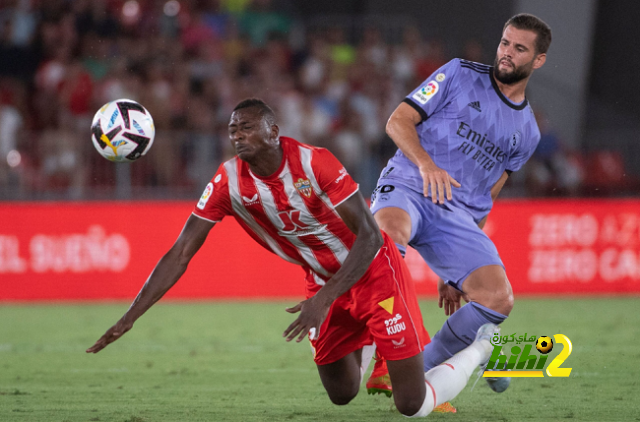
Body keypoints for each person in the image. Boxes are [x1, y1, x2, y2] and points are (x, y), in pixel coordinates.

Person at [87, 98, 499, 418]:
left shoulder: (313, 162)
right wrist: (131, 316)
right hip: (323, 282)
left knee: (411, 404)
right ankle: (371, 337)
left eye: (246, 127)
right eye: (232, 130)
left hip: (374, 272)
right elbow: (180, 252)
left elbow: (372, 236)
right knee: (342, 394)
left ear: (273, 131)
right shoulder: (227, 181)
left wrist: (323, 300)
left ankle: (481, 349)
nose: (237, 135)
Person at [366, 13, 552, 400]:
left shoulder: (528, 131)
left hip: (456, 216)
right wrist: (426, 164)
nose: (507, 53)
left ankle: (416, 368)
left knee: (498, 298)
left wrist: (454, 274)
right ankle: (387, 352)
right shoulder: (458, 73)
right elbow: (398, 121)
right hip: (408, 183)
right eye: (505, 43)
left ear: (538, 60)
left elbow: (490, 192)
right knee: (387, 237)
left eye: (520, 49)